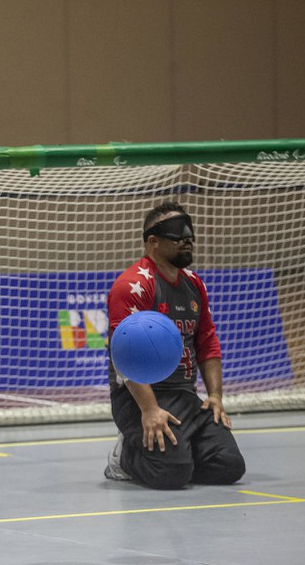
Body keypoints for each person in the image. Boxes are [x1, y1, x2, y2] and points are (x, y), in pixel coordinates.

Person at [104, 202, 245, 489]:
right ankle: (125, 457)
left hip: (184, 394)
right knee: (171, 474)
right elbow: (123, 355)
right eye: (177, 236)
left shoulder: (194, 284)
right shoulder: (133, 285)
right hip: (139, 399)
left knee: (229, 466)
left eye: (190, 236)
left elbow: (206, 341)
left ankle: (178, 452)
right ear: (153, 242)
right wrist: (149, 410)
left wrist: (215, 396)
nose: (187, 241)